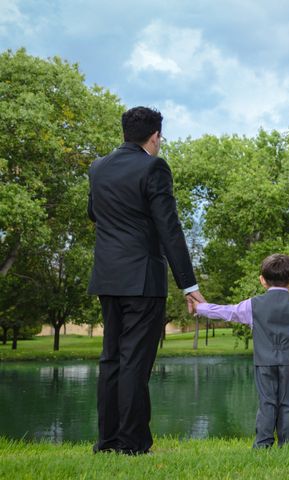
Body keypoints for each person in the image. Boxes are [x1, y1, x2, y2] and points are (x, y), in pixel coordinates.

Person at [88, 106, 206, 455]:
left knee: (111, 359)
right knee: (135, 361)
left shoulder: (98, 167)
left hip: (107, 276)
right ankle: (133, 443)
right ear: (154, 136)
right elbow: (169, 227)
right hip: (141, 278)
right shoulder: (154, 166)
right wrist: (189, 284)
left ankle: (106, 441)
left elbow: (92, 212)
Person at [194, 254, 289, 448]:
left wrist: (200, 307)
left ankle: (263, 443)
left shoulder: (252, 304)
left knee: (267, 402)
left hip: (264, 362)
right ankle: (287, 443)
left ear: (262, 280)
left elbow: (226, 311)